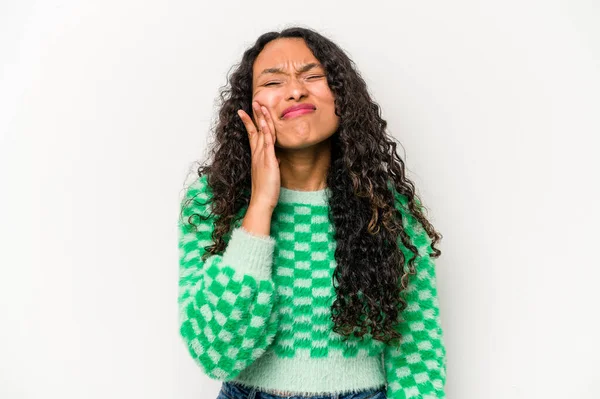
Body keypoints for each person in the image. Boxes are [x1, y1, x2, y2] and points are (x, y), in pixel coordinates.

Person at [178, 26, 447, 399]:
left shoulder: (389, 208)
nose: (295, 90)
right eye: (273, 82)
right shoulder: (212, 202)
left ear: (341, 95)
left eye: (314, 76)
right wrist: (260, 207)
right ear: (247, 106)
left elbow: (418, 352)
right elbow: (214, 354)